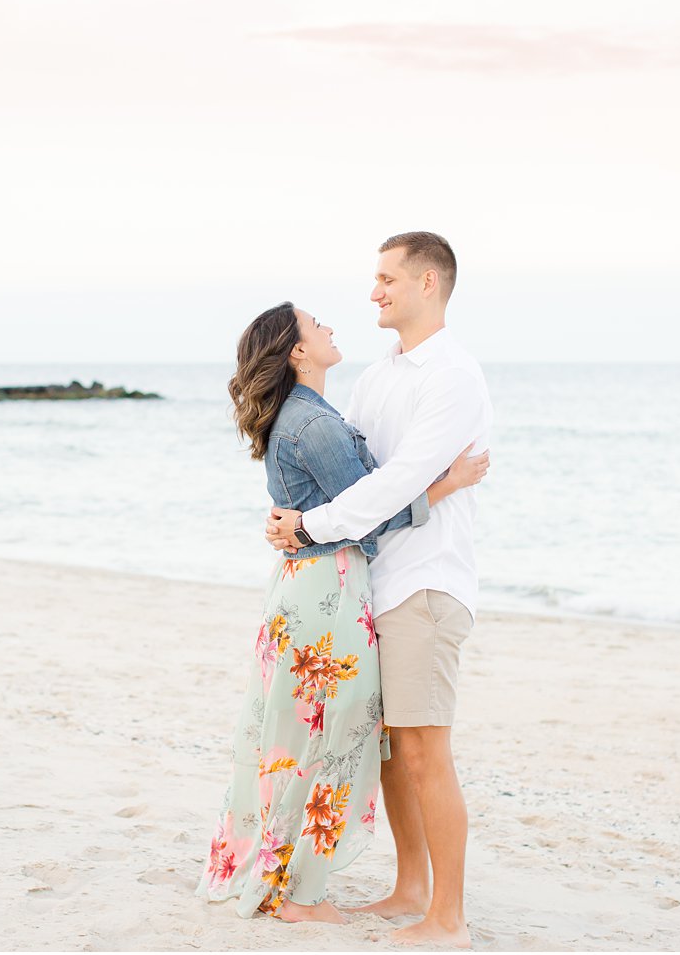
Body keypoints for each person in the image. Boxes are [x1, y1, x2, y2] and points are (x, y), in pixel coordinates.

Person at [194, 301, 489, 924]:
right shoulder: (315, 423)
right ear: (297, 351)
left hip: (314, 587)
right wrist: (449, 483)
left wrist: (300, 527)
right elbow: (370, 514)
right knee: (326, 740)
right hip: (328, 593)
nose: (329, 326)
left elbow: (352, 503)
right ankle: (301, 894)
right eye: (314, 324)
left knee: (303, 736)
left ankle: (292, 884)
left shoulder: (313, 414)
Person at [264, 232, 492, 948]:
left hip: (426, 580)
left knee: (428, 749)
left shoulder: (452, 374)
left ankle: (447, 915)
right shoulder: (377, 374)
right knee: (396, 752)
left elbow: (396, 482)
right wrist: (301, 517)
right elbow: (356, 466)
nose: (374, 292)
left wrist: (309, 526)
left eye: (388, 278)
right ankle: (411, 887)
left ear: (428, 282)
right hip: (378, 581)